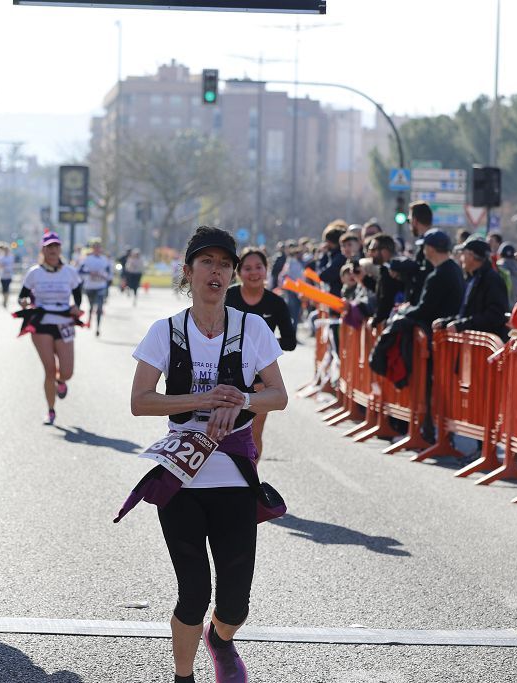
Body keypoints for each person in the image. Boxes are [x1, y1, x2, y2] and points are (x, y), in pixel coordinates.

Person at [127, 226, 287, 683]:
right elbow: (140, 401)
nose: (215, 272)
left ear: (232, 275)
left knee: (235, 602)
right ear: (188, 271)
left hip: (234, 475)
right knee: (193, 592)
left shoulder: (250, 328)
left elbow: (278, 395)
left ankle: (220, 639)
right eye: (206, 263)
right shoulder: (166, 331)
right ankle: (184, 677)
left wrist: (240, 398)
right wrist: (200, 402)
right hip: (181, 476)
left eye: (224, 265)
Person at [224, 247, 296, 458]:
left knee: (253, 433)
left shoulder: (276, 302)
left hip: (260, 379)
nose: (253, 273)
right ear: (238, 273)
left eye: (259, 267)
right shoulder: (228, 297)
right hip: (226, 374)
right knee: (223, 432)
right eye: (247, 268)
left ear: (266, 271)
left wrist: (262, 344)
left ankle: (251, 483)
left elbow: (290, 342)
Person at [18, 231, 82, 425]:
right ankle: (51, 410)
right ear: (43, 249)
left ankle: (61, 382)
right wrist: (24, 302)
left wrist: (76, 307)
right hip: (41, 324)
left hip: (64, 323)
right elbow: (22, 295)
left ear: (60, 249)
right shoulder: (34, 273)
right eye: (49, 247)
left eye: (56, 246)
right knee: (49, 370)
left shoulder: (69, 272)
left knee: (67, 372)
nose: (53, 250)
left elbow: (78, 294)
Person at [435, 237, 510, 340]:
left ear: (471, 255)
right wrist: (447, 322)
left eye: (463, 253)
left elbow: (495, 314)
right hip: (473, 346)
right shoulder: (472, 278)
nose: (461, 258)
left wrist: (462, 325)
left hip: (485, 347)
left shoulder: (491, 279)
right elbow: (467, 313)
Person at [79, 239, 113, 336]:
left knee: (99, 307)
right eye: (95, 247)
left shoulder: (104, 259)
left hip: (101, 286)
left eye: (99, 247)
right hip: (90, 286)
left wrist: (104, 276)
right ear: (92, 248)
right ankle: (89, 318)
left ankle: (98, 328)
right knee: (91, 305)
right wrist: (90, 273)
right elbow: (80, 271)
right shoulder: (87, 259)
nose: (97, 249)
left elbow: (109, 273)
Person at [0, 242, 15, 307]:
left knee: (7, 288)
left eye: (7, 250)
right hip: (2, 275)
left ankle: (6, 300)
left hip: (9, 275)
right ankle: (4, 299)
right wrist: (0, 265)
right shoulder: (0, 257)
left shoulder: (11, 257)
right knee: (3, 289)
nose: (6, 251)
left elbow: (12, 265)